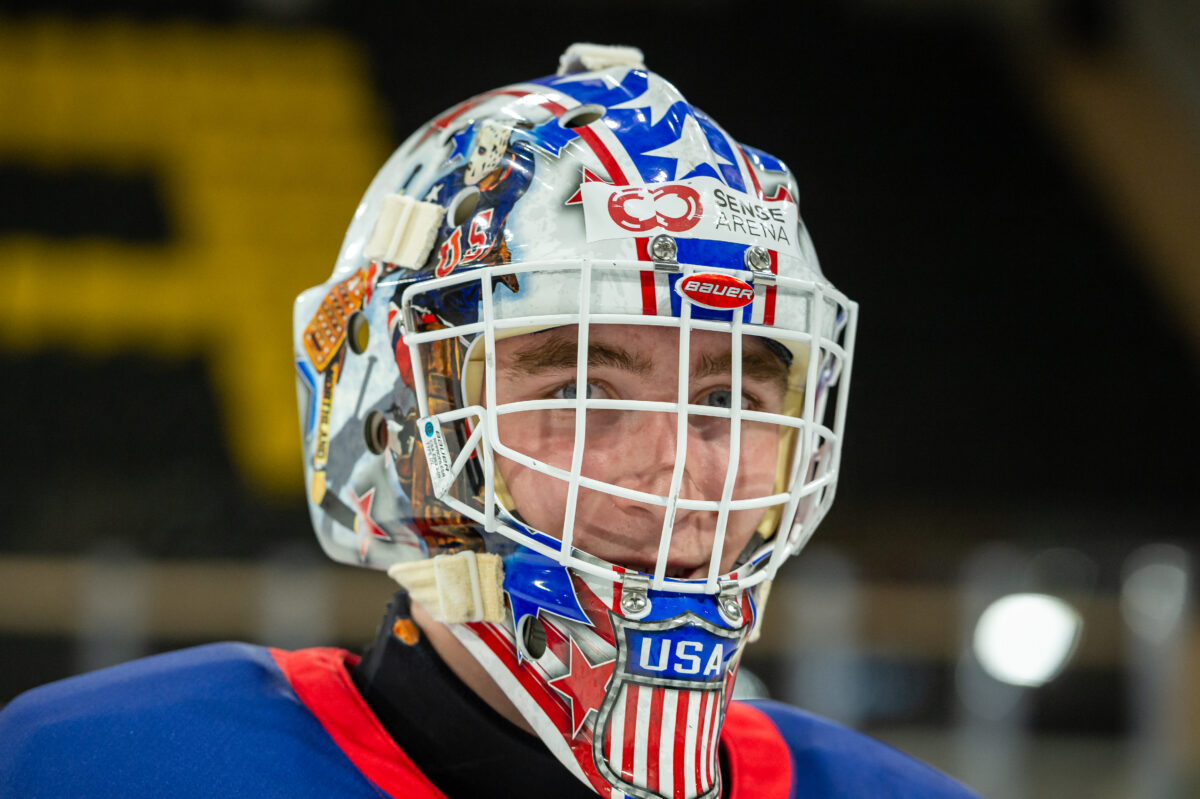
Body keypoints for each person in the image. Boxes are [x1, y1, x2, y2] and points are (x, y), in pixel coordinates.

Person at [0, 44, 980, 798]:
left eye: (732, 399)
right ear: (399, 425)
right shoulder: (94, 768)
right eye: (582, 392)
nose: (679, 468)